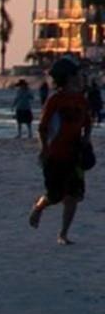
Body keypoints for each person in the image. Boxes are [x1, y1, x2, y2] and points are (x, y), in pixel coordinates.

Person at [28, 57, 93, 245]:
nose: (81, 77)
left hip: (75, 155)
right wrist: (44, 149)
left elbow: (88, 123)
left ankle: (63, 234)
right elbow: (42, 128)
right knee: (55, 195)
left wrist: (86, 138)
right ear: (68, 77)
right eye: (77, 74)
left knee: (74, 195)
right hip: (55, 155)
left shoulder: (81, 99)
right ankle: (39, 207)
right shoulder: (55, 100)